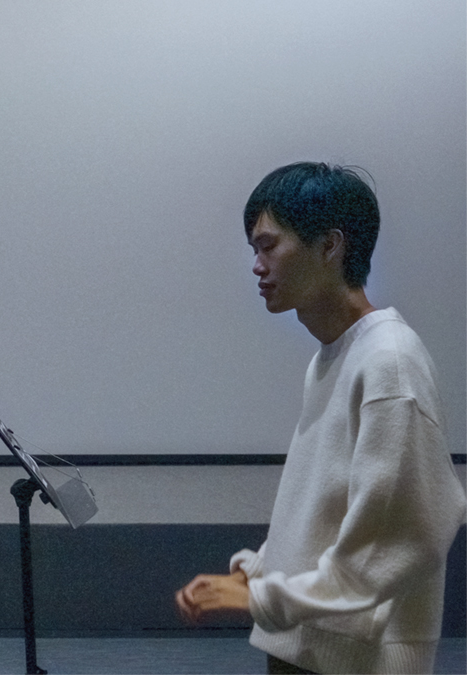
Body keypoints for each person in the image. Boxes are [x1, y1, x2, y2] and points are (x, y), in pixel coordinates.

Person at [175, 162, 466, 674]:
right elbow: (322, 507)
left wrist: (265, 597)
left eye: (268, 246)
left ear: (330, 246)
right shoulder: (333, 357)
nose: (257, 266)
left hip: (359, 662)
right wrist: (257, 574)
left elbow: (403, 536)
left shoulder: (389, 362)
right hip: (307, 647)